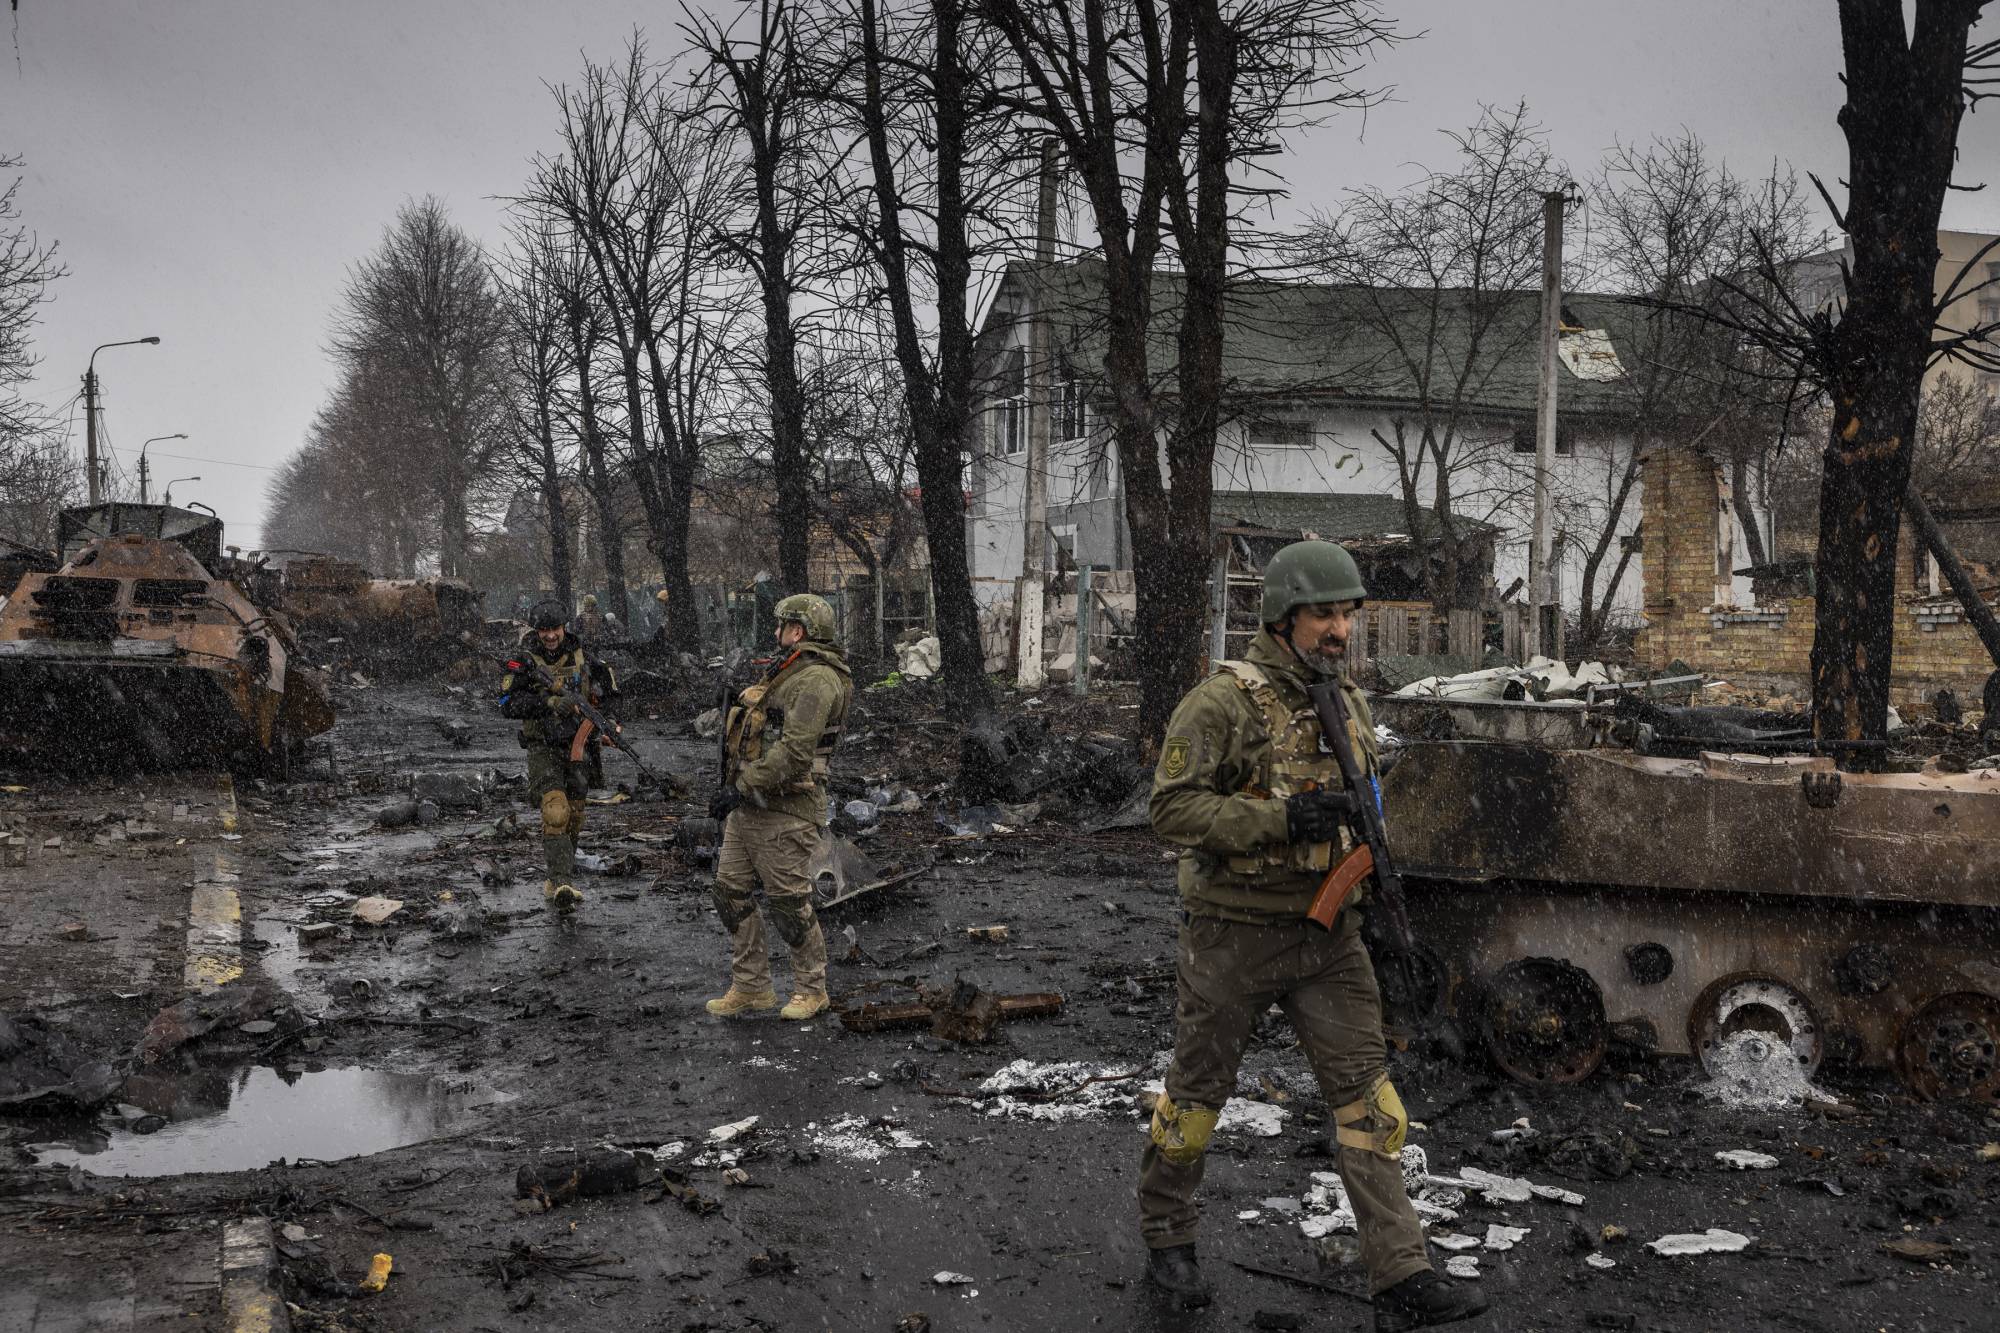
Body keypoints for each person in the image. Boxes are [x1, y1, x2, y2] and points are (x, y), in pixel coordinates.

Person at [1140, 540, 1488, 1331]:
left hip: (1329, 940)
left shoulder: (1348, 701)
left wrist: (1382, 904)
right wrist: (1277, 818)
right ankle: (1168, 1238)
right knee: (1194, 1101)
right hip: (1233, 934)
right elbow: (1170, 809)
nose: (1340, 629)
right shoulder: (1221, 703)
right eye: (1325, 614)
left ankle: (1401, 1275)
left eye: (1347, 614)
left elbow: (1370, 810)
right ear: (1282, 617)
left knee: (1372, 1106)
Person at [704, 593, 852, 1022]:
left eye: (781, 625)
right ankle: (751, 987)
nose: (775, 632)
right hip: (751, 805)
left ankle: (812, 989)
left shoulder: (818, 679)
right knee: (730, 894)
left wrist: (742, 786)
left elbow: (795, 752)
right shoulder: (787, 672)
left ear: (798, 631)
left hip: (788, 810)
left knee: (789, 904)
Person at [499, 600, 617, 914]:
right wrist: (549, 704)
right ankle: (560, 881)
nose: (550, 636)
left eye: (555, 629)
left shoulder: (583, 655)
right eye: (544, 630)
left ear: (564, 627)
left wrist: (606, 721)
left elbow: (610, 690)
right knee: (555, 811)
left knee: (575, 815)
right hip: (543, 747)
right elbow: (507, 704)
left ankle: (563, 874)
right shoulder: (523, 661)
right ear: (536, 631)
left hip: (579, 747)